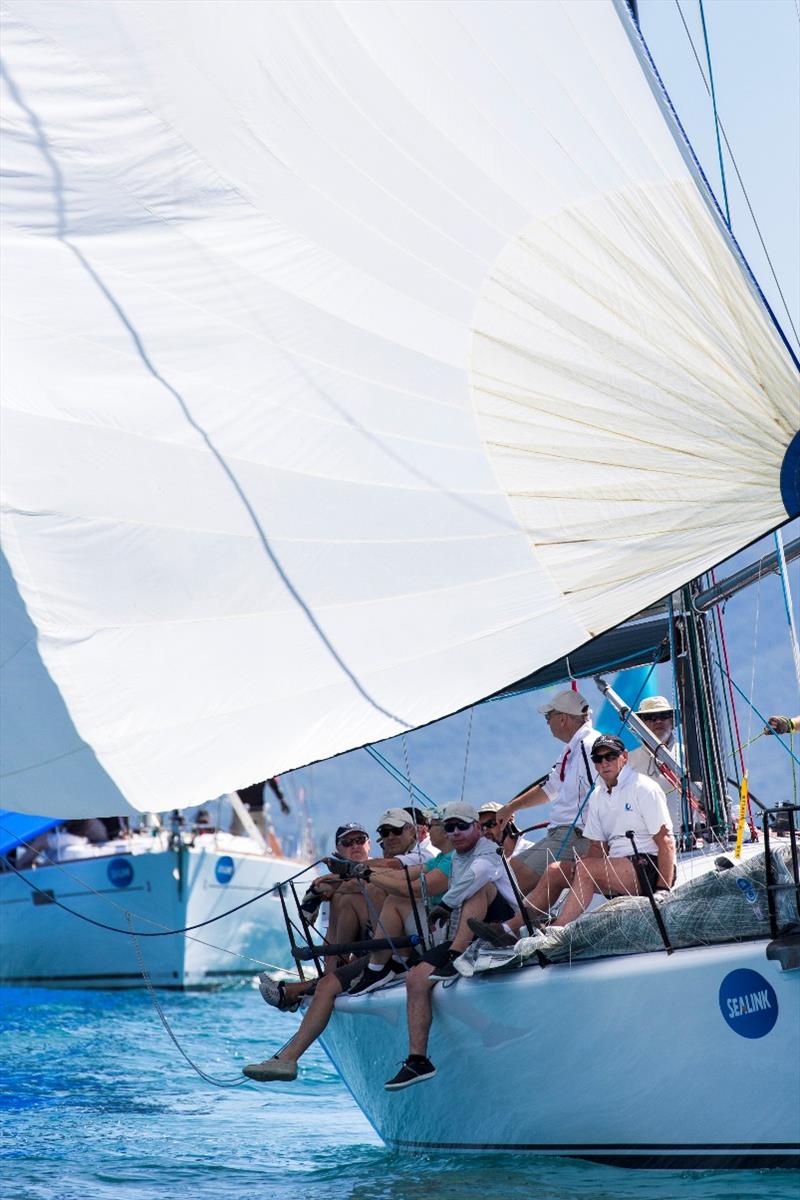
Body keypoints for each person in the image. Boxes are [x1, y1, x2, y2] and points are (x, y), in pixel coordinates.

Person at [242, 811, 435, 1083]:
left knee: (328, 984)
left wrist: (332, 883)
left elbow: (385, 871)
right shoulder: (373, 871)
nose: (356, 846)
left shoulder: (417, 859)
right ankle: (314, 985)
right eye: (349, 843)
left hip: (399, 954)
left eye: (361, 840)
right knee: (344, 902)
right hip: (375, 950)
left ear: (416, 833)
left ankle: (292, 1034)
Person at [470, 735, 675, 945]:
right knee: (555, 870)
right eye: (598, 758)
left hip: (648, 869)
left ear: (624, 757)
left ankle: (555, 931)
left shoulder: (644, 788)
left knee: (586, 868)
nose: (604, 763)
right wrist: (577, 870)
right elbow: (597, 847)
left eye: (610, 756)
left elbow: (665, 840)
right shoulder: (597, 796)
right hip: (617, 868)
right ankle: (509, 929)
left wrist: (662, 890)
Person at [382, 801, 519, 1091]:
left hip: (504, 929)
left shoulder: (489, 851)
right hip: (468, 932)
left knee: (481, 886)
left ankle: (455, 955)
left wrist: (444, 905)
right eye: (450, 828)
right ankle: (418, 1060)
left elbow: (476, 877)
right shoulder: (456, 857)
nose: (455, 833)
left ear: (478, 828)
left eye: (462, 826)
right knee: (416, 979)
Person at [492, 689, 600, 894]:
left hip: (577, 834)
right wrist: (510, 808)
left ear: (563, 719)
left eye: (548, 717)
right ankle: (519, 924)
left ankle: (513, 925)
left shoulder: (588, 745)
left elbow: (599, 792)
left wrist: (598, 843)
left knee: (516, 879)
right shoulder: (573, 749)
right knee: (509, 873)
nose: (547, 722)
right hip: (565, 834)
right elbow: (550, 788)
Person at [627, 695, 690, 834]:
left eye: (664, 715)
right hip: (646, 843)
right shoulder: (628, 761)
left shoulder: (689, 755)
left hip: (691, 840)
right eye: (651, 717)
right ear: (640, 724)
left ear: (672, 721)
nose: (658, 721)